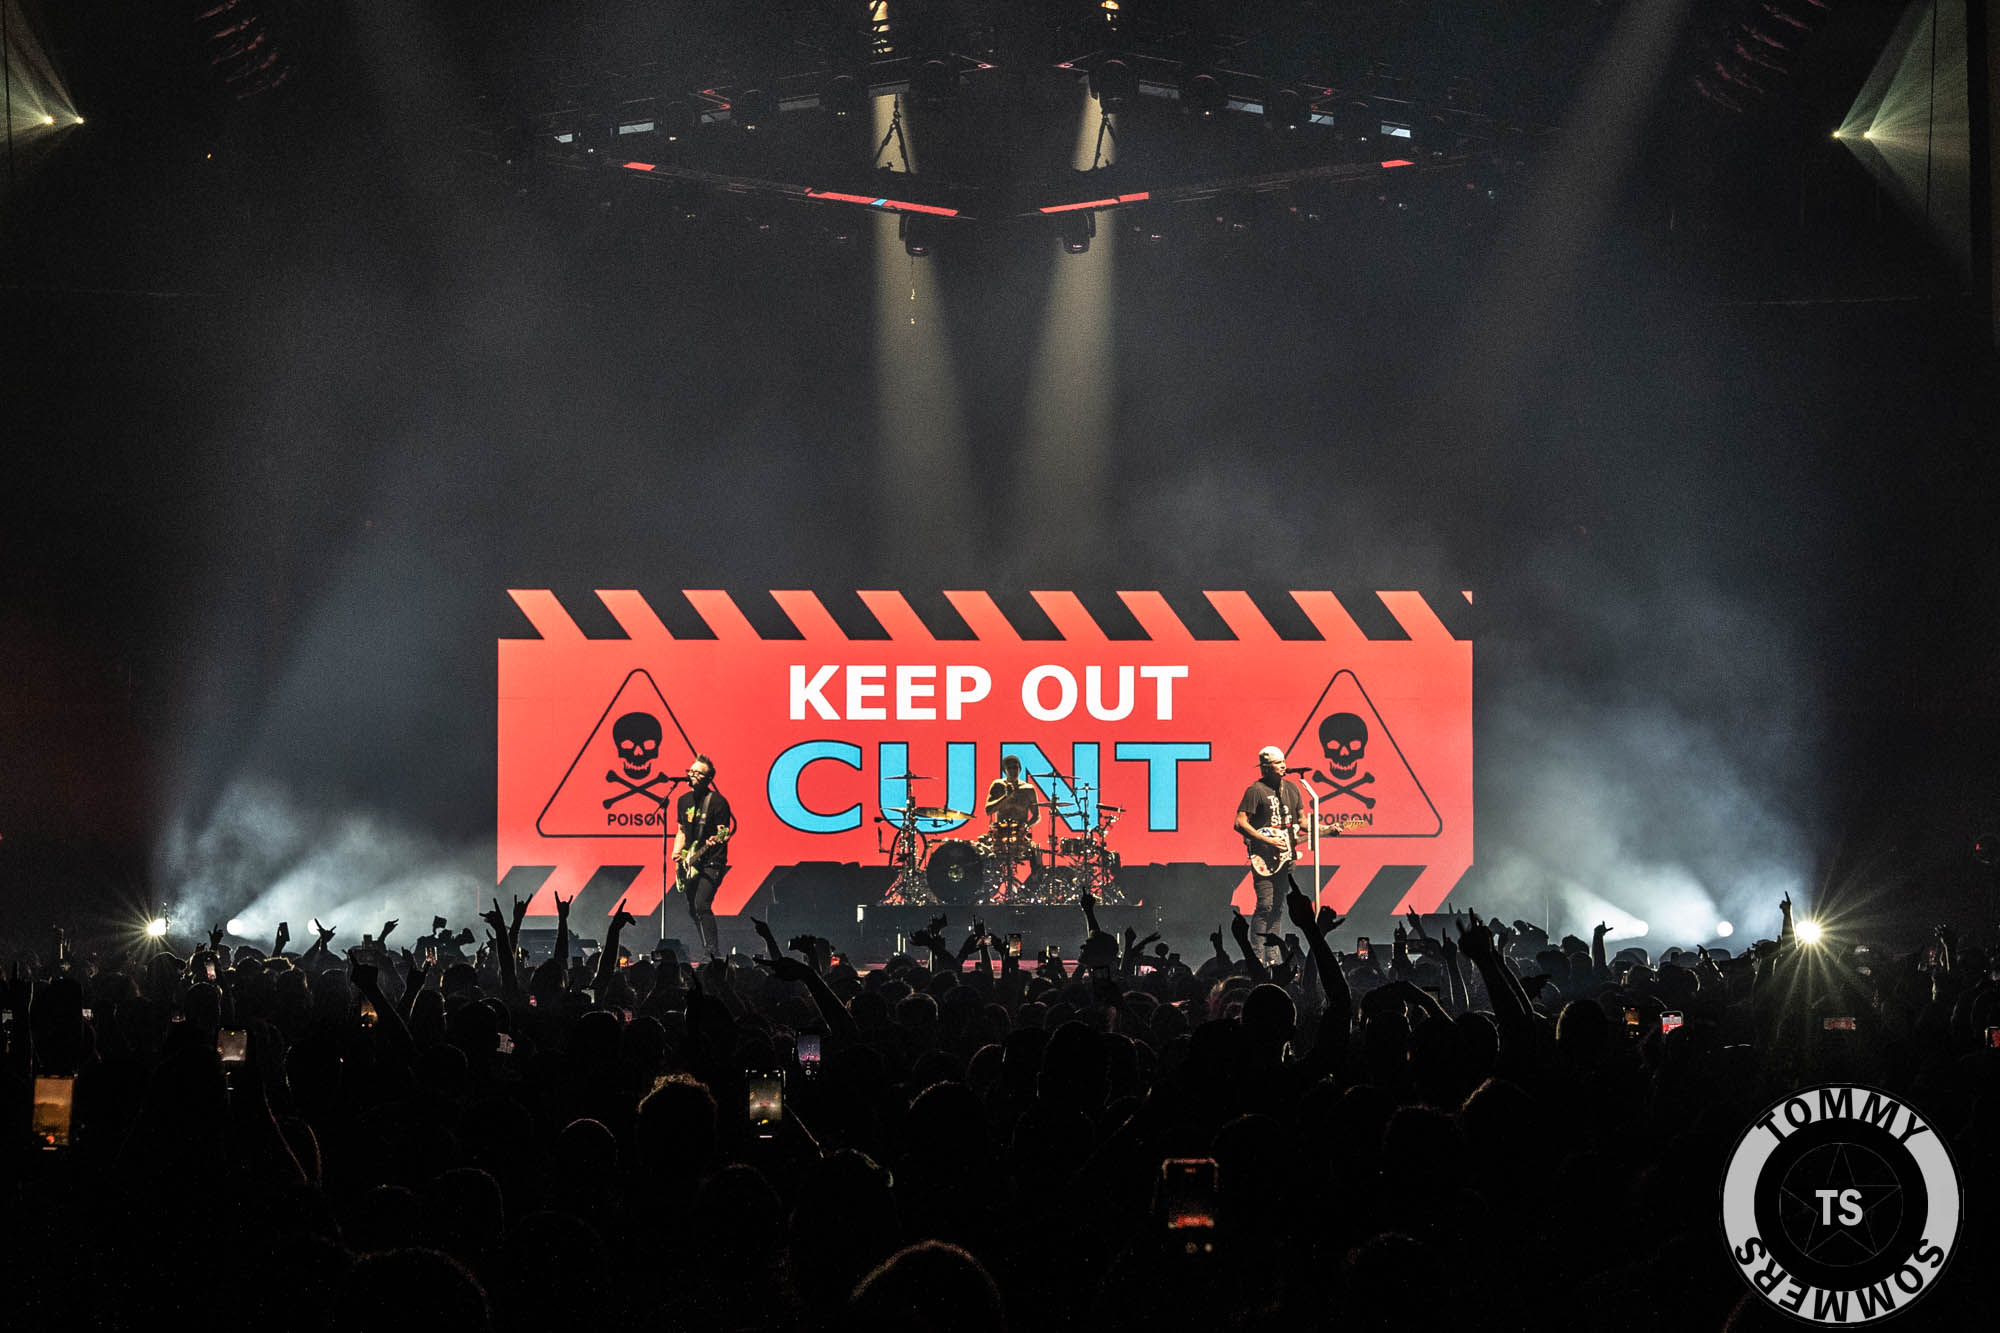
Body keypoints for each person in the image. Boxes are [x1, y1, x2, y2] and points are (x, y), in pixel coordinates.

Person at [1233, 745, 1308, 964]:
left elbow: (1302, 822)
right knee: (1265, 905)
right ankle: (1256, 957)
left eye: (1283, 761)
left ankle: (1272, 958)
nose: (1283, 765)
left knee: (1278, 907)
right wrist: (1267, 840)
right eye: (1277, 762)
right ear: (1265, 767)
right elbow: (1239, 823)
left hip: (1286, 858)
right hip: (1264, 858)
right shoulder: (1255, 791)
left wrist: (1326, 829)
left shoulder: (1292, 789)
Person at [671, 754, 734, 958]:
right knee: (692, 909)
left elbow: (723, 832)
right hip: (690, 861)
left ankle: (713, 952)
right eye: (691, 771)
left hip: (712, 861)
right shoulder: (683, 801)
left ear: (708, 779)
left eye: (698, 773)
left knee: (702, 904)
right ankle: (707, 947)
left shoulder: (718, 802)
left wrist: (717, 840)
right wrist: (677, 852)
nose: (692, 775)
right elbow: (681, 830)